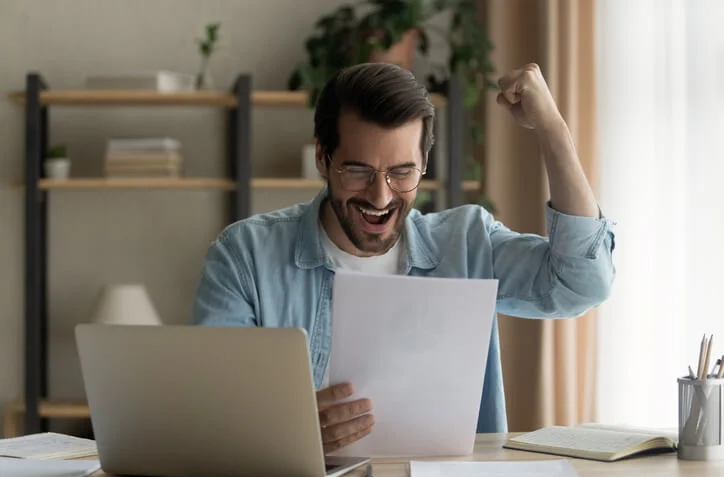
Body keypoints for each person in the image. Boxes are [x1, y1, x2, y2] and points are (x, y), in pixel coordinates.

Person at [191, 62, 615, 454]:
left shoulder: (466, 244)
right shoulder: (245, 255)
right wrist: (288, 430)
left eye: (402, 172)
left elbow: (581, 285)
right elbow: (209, 412)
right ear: (323, 157)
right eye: (357, 171)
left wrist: (552, 130)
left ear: (424, 164)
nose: (380, 195)